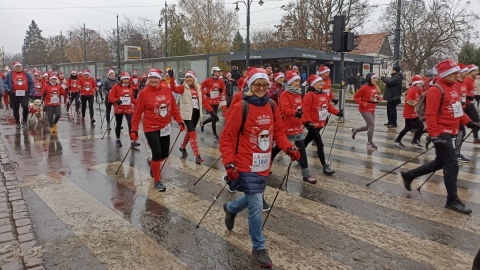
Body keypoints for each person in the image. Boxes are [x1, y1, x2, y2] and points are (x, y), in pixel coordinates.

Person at [220, 67, 300, 268]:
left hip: (264, 163)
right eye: (257, 84)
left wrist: (289, 147)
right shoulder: (241, 107)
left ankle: (230, 209)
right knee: (256, 204)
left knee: (251, 197)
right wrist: (229, 162)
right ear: (249, 85)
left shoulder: (272, 106)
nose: (261, 88)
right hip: (245, 163)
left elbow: (279, 133)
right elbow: (227, 138)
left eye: (265, 85)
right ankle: (259, 247)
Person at [401, 59, 480, 214]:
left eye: (457, 73)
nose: (457, 76)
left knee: (439, 162)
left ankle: (409, 175)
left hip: (450, 132)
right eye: (454, 73)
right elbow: (430, 115)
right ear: (445, 74)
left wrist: (470, 123)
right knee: (452, 165)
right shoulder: (436, 90)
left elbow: (458, 111)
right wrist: (435, 135)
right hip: (441, 134)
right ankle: (452, 200)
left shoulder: (455, 88)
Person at [131, 68, 185, 192]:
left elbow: (173, 107)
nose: (153, 80)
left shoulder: (166, 89)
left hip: (165, 126)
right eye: (151, 78)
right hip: (151, 127)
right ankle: (157, 180)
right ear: (148, 79)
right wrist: (134, 130)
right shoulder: (143, 93)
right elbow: (137, 113)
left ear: (159, 79)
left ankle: (154, 166)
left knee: (164, 154)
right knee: (156, 152)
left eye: (155, 78)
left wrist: (179, 120)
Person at [271, 71, 317, 183]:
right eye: (296, 81)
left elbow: (301, 111)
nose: (298, 83)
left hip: (297, 128)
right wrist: (295, 113)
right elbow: (284, 109)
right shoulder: (284, 94)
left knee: (302, 150)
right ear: (290, 82)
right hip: (286, 127)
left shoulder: (298, 94)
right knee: (278, 148)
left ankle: (306, 174)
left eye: (299, 81)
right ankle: (268, 163)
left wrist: (305, 122)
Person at [171, 70, 217, 164]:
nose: (188, 79)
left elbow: (204, 101)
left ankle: (182, 147)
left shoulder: (198, 88)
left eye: (190, 77)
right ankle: (198, 156)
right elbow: (174, 89)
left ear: (193, 78)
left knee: (189, 132)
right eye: (187, 77)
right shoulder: (183, 88)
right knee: (193, 134)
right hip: (187, 114)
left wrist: (212, 112)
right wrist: (171, 79)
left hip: (196, 114)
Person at [302, 73, 341, 175]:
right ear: (314, 83)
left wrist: (337, 112)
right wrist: (308, 122)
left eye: (321, 82)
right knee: (320, 144)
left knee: (306, 141)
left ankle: (298, 155)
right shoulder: (309, 95)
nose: (322, 83)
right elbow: (305, 110)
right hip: (312, 124)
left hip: (320, 123)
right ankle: (325, 166)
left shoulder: (323, 94)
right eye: (319, 82)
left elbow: (328, 107)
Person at [352, 72, 383, 150]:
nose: (375, 80)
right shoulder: (364, 88)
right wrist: (362, 103)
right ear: (369, 79)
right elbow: (356, 97)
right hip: (364, 109)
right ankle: (369, 143)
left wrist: (378, 98)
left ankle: (355, 130)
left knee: (368, 126)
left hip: (372, 107)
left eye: (376, 78)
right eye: (374, 78)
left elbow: (375, 96)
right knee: (372, 125)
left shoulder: (375, 86)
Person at [108, 72, 139, 148]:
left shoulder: (130, 87)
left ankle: (132, 141)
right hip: (119, 108)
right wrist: (116, 100)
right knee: (119, 124)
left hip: (128, 108)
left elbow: (132, 99)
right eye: (124, 79)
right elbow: (110, 97)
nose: (126, 80)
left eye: (127, 79)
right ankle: (117, 139)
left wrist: (139, 103)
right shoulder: (116, 86)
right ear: (121, 79)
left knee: (131, 123)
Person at [393, 75, 424, 148]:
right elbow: (407, 101)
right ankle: (397, 140)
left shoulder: (417, 90)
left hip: (414, 113)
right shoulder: (411, 90)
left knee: (421, 126)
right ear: (415, 83)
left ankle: (415, 141)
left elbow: (421, 96)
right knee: (408, 127)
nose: (421, 84)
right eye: (420, 83)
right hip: (409, 112)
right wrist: (415, 103)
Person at [3, 62, 34, 129]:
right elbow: (5, 83)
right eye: (17, 66)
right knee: (15, 108)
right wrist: (8, 89)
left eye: (20, 66)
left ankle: (24, 121)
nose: (19, 68)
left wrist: (31, 92)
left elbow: (31, 83)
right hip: (14, 93)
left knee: (25, 106)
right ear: (14, 68)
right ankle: (17, 122)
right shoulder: (10, 74)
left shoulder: (26, 74)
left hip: (25, 93)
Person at [200, 66, 225, 142]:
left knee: (214, 118)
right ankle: (215, 135)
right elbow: (200, 87)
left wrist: (221, 92)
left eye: (219, 71)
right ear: (213, 72)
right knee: (215, 118)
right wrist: (206, 93)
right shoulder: (208, 80)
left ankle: (203, 123)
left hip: (217, 101)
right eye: (218, 71)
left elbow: (224, 89)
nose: (219, 73)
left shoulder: (221, 81)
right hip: (209, 102)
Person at [453, 63, 471, 163]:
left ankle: (455, 153)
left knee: (460, 132)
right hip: (454, 112)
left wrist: (467, 99)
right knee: (461, 132)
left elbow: (464, 94)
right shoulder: (454, 83)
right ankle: (456, 154)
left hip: (460, 111)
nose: (467, 73)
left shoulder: (464, 82)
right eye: (465, 71)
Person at [463, 64, 480, 144]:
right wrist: (468, 96)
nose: (477, 72)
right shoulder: (466, 80)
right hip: (464, 104)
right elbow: (462, 91)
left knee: (477, 121)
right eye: (476, 71)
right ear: (470, 72)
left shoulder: (473, 80)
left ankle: (476, 138)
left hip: (470, 104)